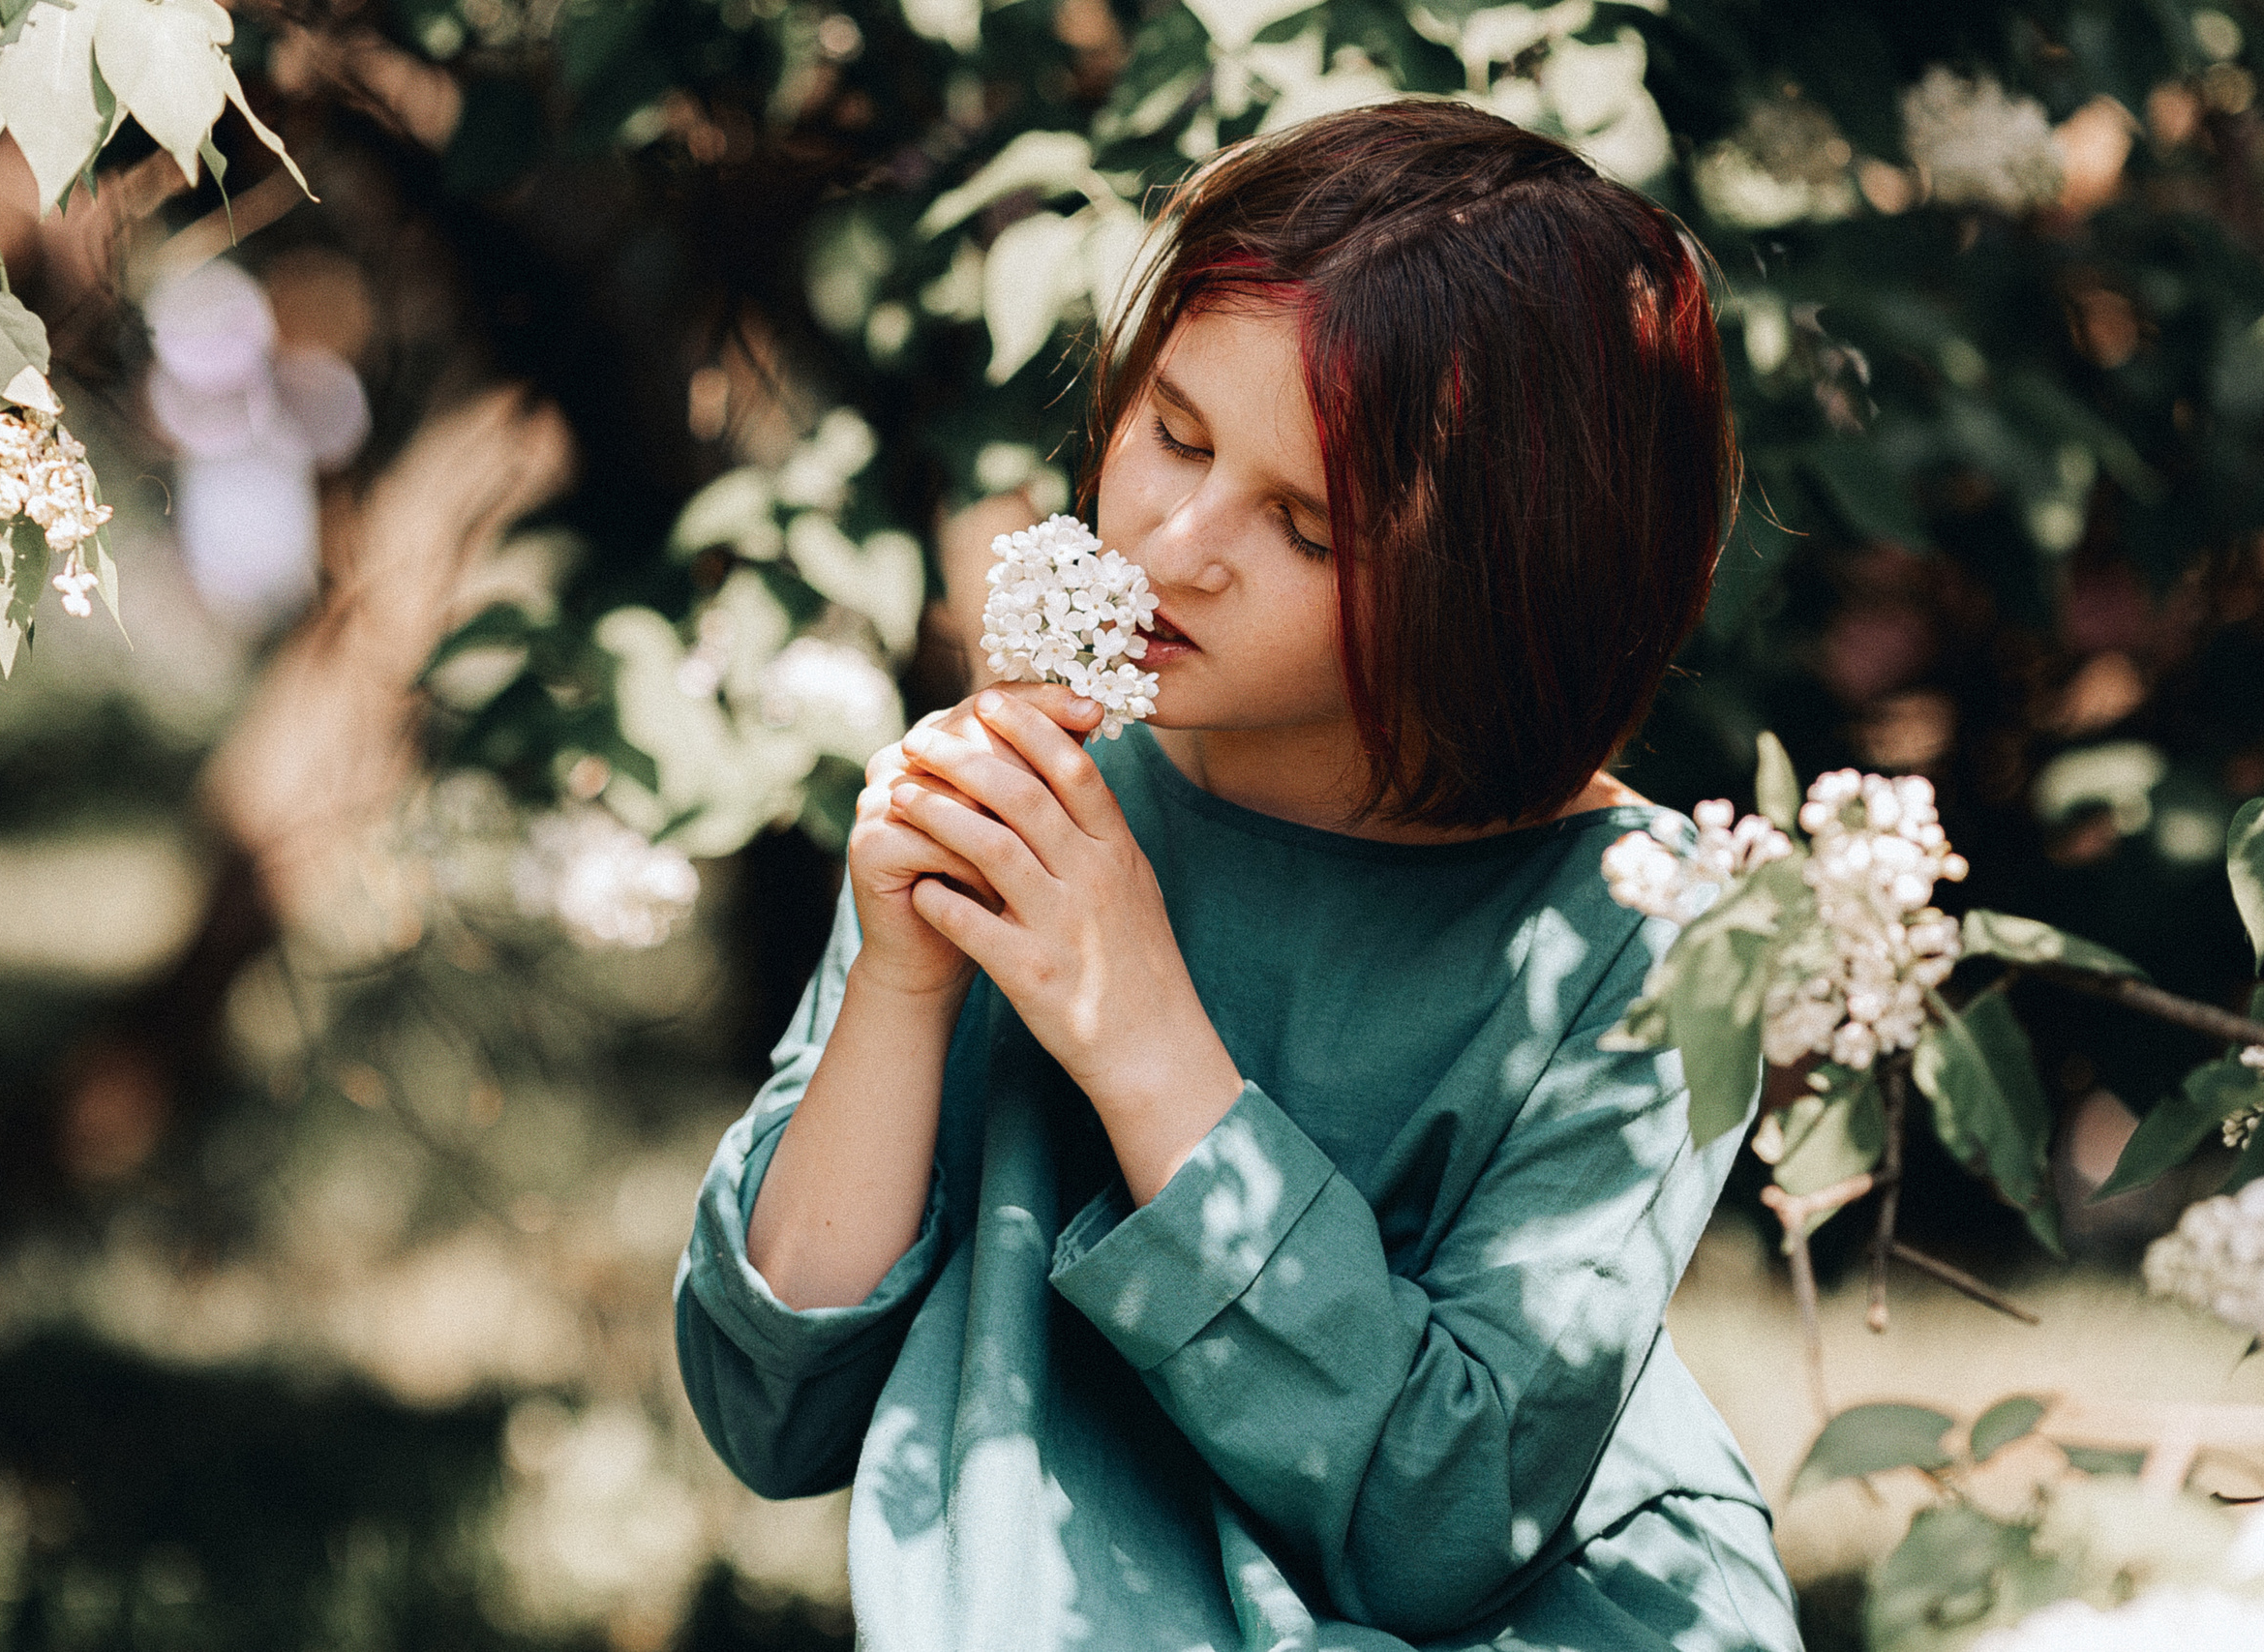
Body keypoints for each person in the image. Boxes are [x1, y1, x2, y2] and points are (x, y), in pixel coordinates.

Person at [675, 100, 1802, 1651]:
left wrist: (1144, 1037)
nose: (1176, 544)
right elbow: (772, 1415)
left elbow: (1444, 1531)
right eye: (1176, 434)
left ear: (1502, 595)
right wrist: (906, 982)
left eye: (1311, 530)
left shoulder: (1650, 935)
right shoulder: (1044, 797)